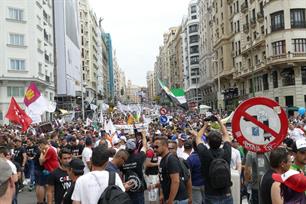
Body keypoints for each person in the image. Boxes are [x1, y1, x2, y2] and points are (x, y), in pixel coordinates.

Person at [194, 117, 233, 204]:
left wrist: (205, 125)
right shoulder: (227, 151)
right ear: (221, 141)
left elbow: (198, 137)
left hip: (210, 193)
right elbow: (226, 134)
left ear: (207, 142)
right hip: (226, 192)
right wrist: (219, 120)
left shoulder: (204, 153)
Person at [153, 136, 189, 204]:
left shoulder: (171, 159)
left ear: (165, 146)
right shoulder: (163, 160)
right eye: (153, 147)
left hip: (177, 200)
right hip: (172, 199)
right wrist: (156, 186)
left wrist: (170, 200)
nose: (154, 149)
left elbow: (175, 181)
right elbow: (165, 180)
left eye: (157, 147)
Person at [121, 132, 147, 204]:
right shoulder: (139, 156)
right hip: (139, 187)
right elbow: (144, 146)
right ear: (135, 147)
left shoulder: (122, 161)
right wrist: (144, 136)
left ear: (126, 147)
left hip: (127, 188)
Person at [186, 139, 205, 204]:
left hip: (195, 186)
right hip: (204, 185)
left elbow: (188, 175)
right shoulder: (206, 156)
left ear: (193, 147)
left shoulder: (190, 159)